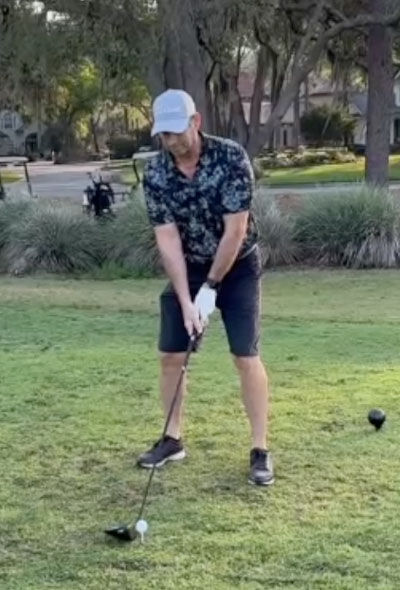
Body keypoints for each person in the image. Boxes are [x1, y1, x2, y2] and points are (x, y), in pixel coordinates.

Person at [138, 89, 274, 486]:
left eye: (177, 132)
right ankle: (172, 439)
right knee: (170, 355)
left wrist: (211, 289)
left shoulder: (231, 158)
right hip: (190, 266)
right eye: (164, 134)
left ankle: (260, 449)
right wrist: (186, 300)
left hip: (239, 266)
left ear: (196, 122)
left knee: (244, 357)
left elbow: (236, 231)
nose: (171, 141)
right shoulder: (157, 173)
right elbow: (167, 240)